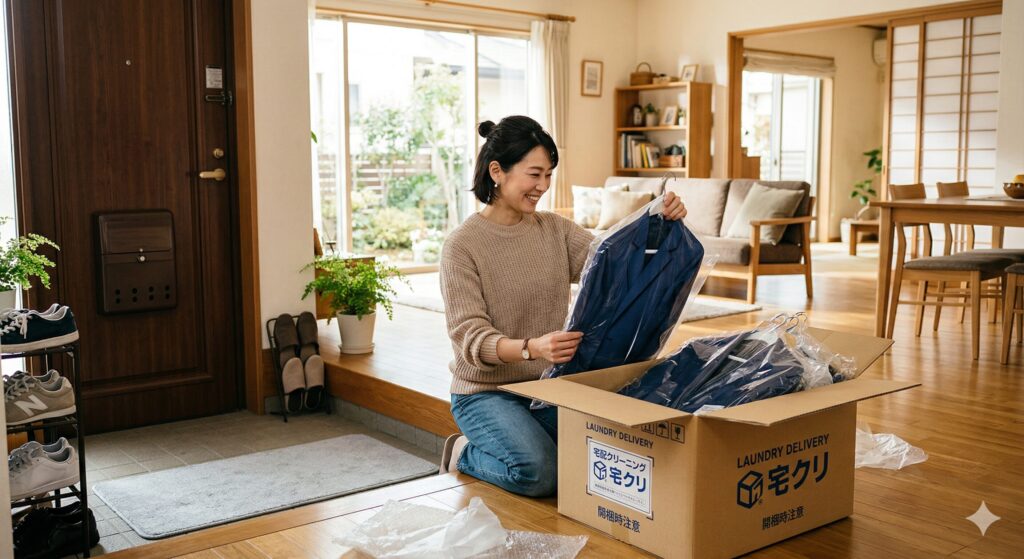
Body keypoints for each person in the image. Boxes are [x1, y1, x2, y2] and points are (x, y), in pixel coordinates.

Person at [438, 115, 687, 497]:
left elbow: (612, 263)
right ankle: (465, 453)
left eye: (549, 175)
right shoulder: (462, 246)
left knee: (605, 454)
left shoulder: (554, 229)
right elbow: (471, 341)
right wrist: (531, 347)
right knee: (540, 472)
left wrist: (656, 221)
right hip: (485, 392)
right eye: (534, 174)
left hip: (549, 388)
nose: (543, 186)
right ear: (497, 171)